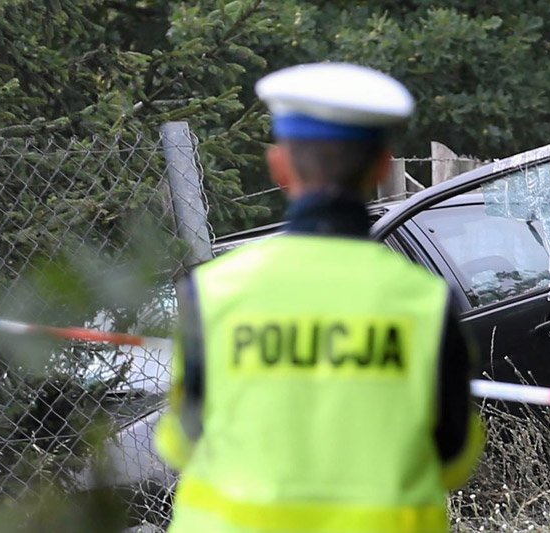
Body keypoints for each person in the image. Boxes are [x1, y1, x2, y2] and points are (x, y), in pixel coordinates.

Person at [155, 62, 484, 533]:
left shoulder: (213, 293)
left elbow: (182, 439)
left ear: (281, 167)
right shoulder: (425, 303)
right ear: (382, 166)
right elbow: (453, 456)